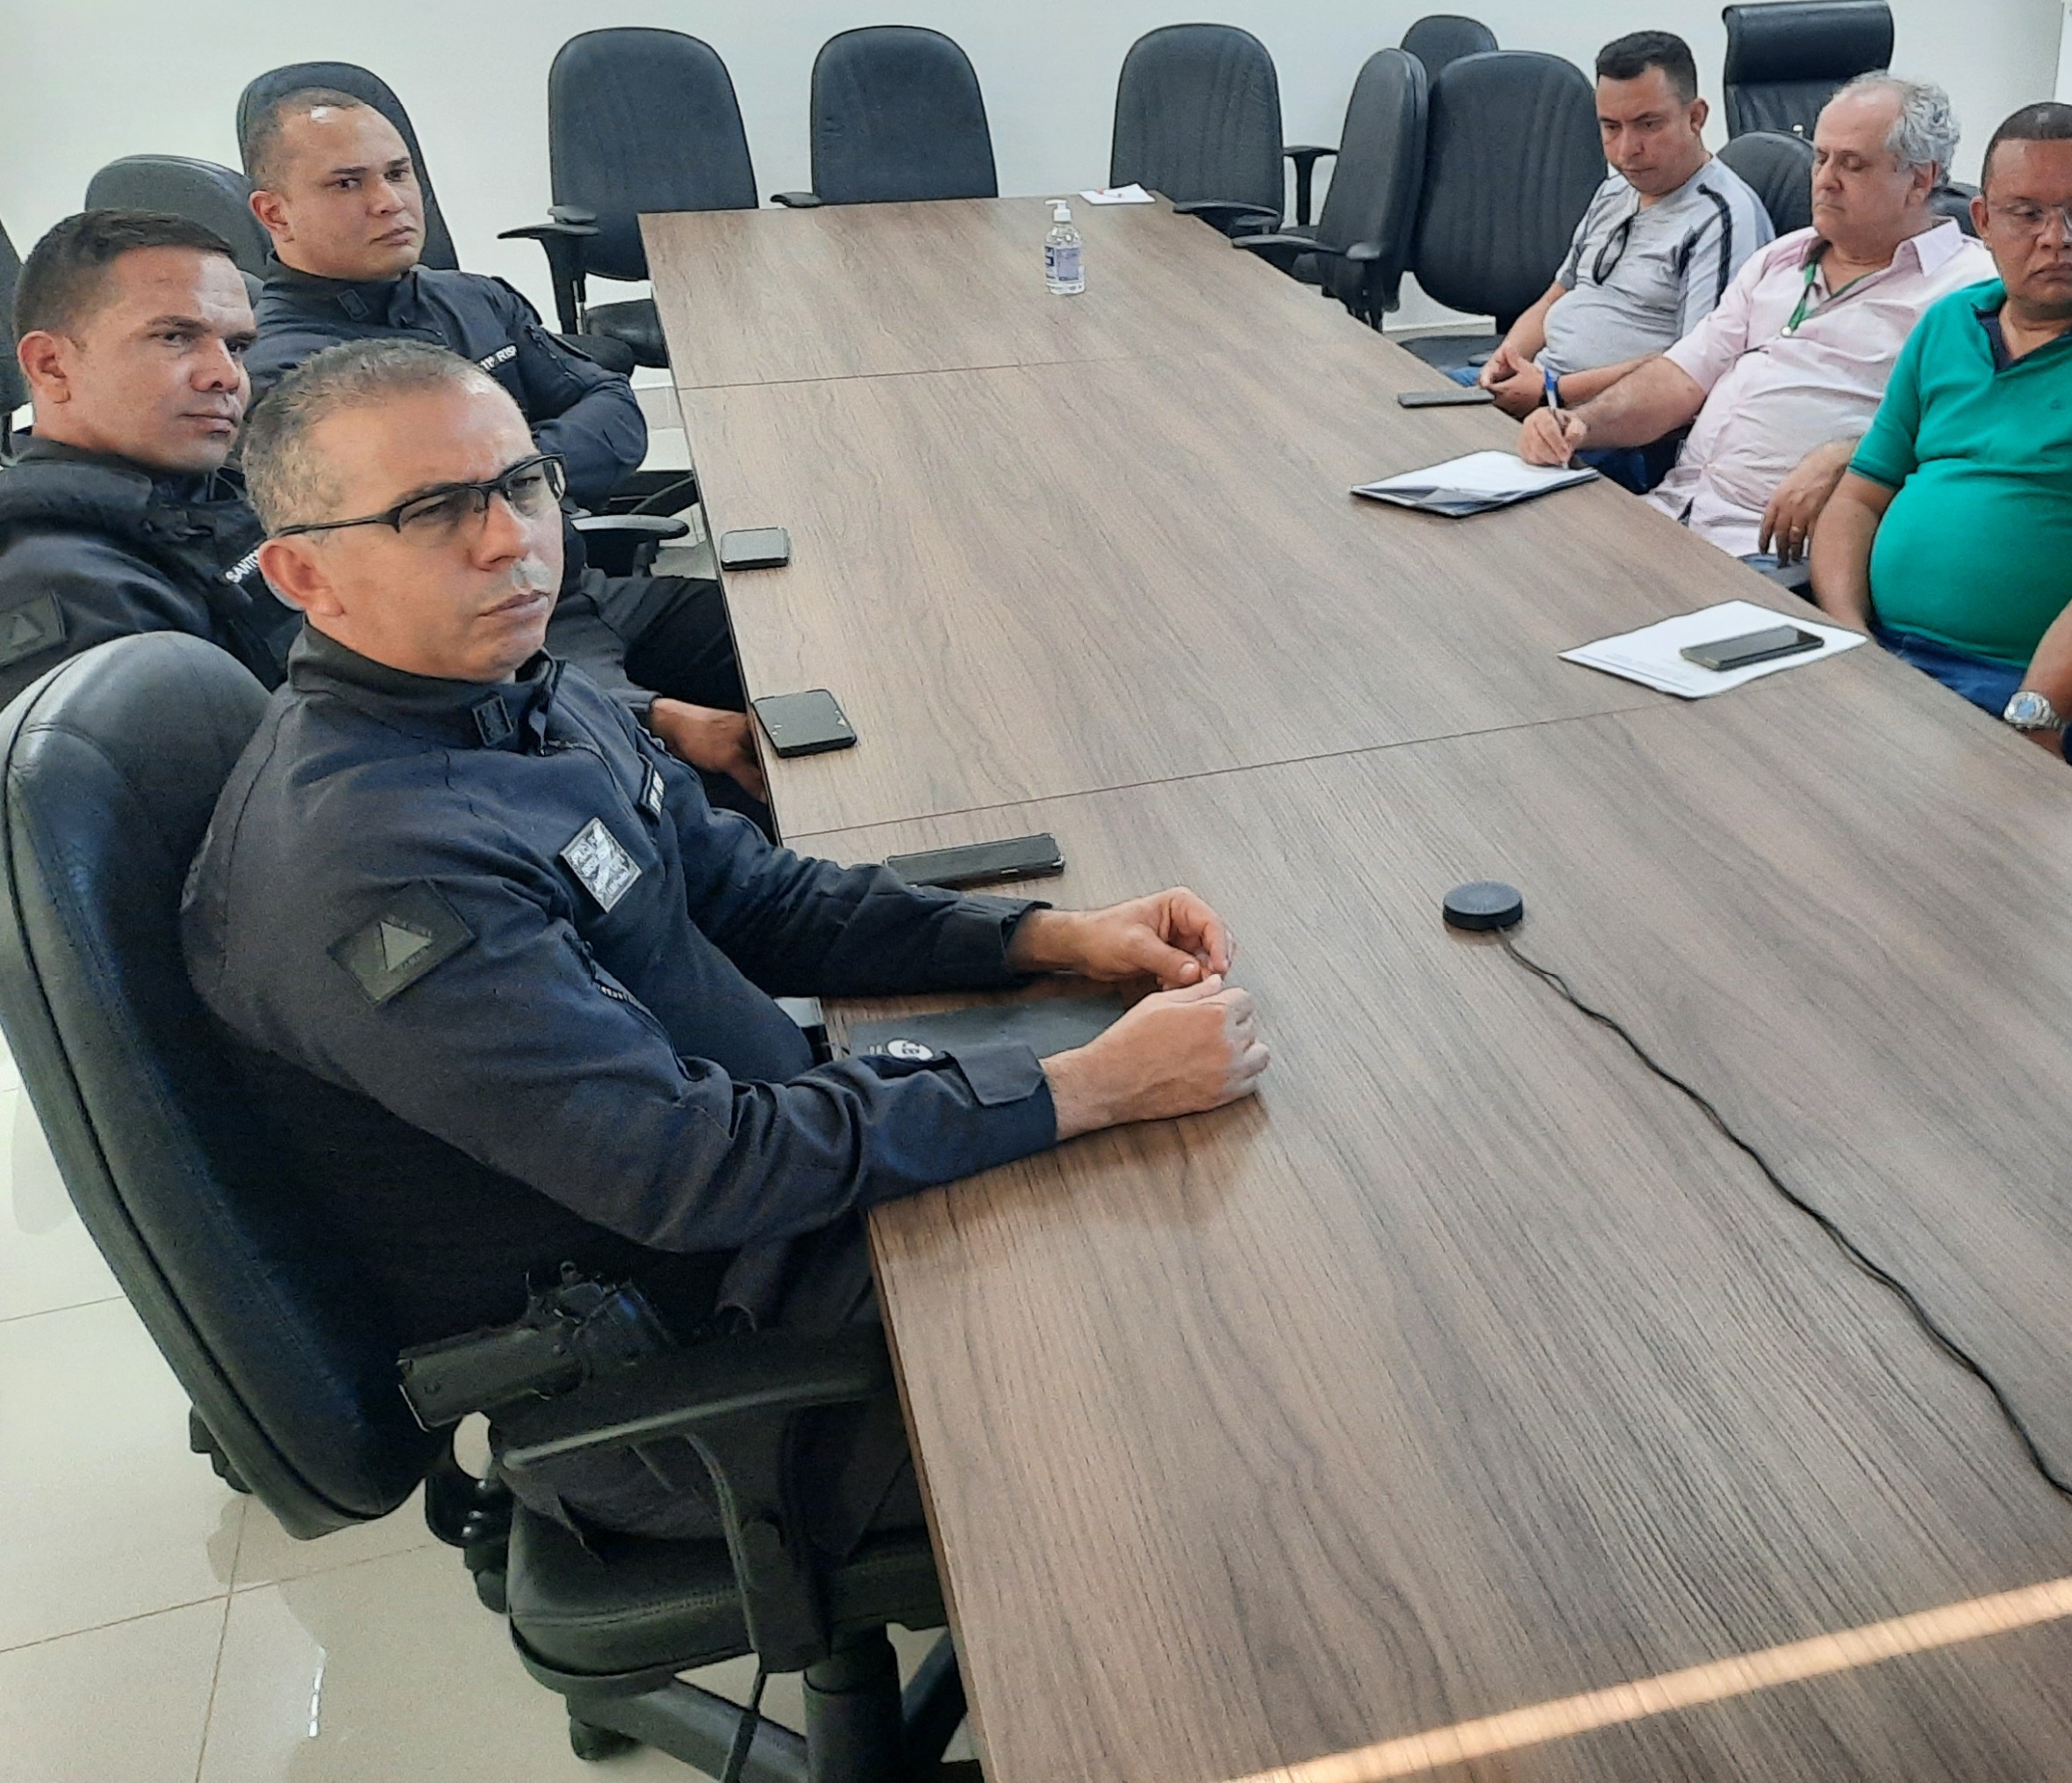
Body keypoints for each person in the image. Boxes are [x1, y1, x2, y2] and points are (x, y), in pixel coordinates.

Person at [185, 339, 1267, 1544]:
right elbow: (688, 1169)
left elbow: (750, 897)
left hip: (780, 1208)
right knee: (1218, 1373)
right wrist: (1083, 1088)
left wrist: (1044, 939)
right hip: (692, 1370)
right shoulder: (380, 868)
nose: (510, 541)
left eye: (522, 484)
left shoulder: (517, 690)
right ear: (304, 574)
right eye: (434, 511)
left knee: (1216, 1215)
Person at [241, 82, 758, 792]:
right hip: (484, 637)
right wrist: (651, 716)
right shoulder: (290, 380)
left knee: (798, 638)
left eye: (398, 173)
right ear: (275, 213)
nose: (389, 201)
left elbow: (615, 407)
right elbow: (413, 628)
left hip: (581, 589)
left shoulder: (475, 298)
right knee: (682, 768)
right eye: (346, 184)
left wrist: (521, 475)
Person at [1810, 103, 2072, 796]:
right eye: (2027, 214)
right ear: (1983, 221)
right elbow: (1859, 499)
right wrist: (1849, 642)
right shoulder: (1950, 323)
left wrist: (2038, 711)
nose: (2057, 238)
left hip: (2033, 695)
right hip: (1886, 664)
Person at [1513, 73, 1991, 567]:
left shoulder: (1967, 290)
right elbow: (1681, 377)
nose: (1825, 180)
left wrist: (1854, 456)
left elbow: (1972, 434)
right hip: (1672, 513)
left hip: (1774, 552)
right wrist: (1579, 423)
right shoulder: (1782, 256)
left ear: (1920, 179)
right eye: (1821, 158)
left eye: (1852, 165)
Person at [0, 211, 301, 710]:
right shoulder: (70, 590)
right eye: (174, 338)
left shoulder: (229, 485)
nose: (227, 376)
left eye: (237, 346)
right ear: (51, 366)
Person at [1469, 32, 1771, 483]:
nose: (1627, 150)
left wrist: (1553, 390)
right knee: (1397, 415)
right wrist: (1507, 358)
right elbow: (1558, 294)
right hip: (1545, 394)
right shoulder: (1615, 191)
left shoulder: (1722, 218)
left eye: (1648, 125)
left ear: (1695, 117)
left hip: (1616, 431)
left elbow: (1694, 369)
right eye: (1611, 127)